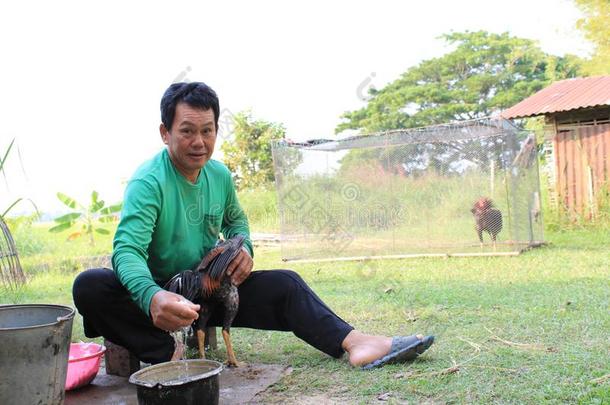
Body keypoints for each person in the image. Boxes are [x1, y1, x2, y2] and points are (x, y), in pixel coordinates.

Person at [72, 82, 433, 369]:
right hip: (163, 294)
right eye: (187, 131)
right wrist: (153, 296)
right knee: (90, 286)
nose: (199, 142)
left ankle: (356, 343)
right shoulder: (148, 182)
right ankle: (169, 355)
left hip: (209, 292)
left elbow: (237, 221)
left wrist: (243, 248)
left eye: (207, 130)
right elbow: (127, 250)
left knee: (286, 284)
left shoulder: (219, 175)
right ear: (165, 132)